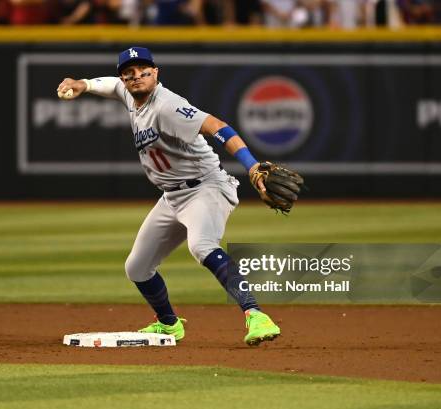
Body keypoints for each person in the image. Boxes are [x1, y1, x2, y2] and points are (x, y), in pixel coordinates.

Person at [56, 47, 281, 346]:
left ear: (156, 73)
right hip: (172, 197)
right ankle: (169, 324)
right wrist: (82, 83)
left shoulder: (168, 106)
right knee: (136, 267)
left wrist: (252, 165)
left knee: (201, 245)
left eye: (144, 70)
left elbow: (218, 126)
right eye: (130, 72)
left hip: (205, 188)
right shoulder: (128, 93)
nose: (137, 76)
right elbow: (110, 85)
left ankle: (256, 314)